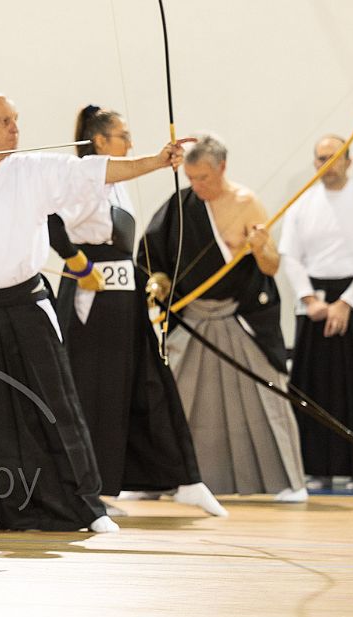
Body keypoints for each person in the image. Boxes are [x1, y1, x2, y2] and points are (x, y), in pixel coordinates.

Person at [0, 93, 183, 533]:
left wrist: (156, 162)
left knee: (52, 406)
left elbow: (96, 171)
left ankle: (80, 506)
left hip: (25, 304)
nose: (15, 128)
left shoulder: (36, 170)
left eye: (16, 119)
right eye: (5, 121)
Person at [49, 106, 224, 517]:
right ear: (99, 142)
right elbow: (53, 224)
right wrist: (79, 265)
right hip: (92, 301)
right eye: (122, 136)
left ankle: (181, 479)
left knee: (146, 383)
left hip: (122, 300)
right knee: (93, 393)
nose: (130, 143)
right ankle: (86, 491)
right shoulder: (84, 179)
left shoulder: (116, 183)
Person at [143, 134, 307, 501]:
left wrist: (261, 248)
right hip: (192, 316)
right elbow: (153, 252)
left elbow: (271, 266)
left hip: (239, 315)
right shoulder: (181, 205)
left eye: (204, 177)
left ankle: (287, 482)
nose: (197, 186)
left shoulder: (247, 203)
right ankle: (159, 480)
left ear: (222, 167)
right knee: (172, 396)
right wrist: (160, 281)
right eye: (191, 178)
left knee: (266, 393)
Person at [279, 136, 353, 493]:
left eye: (334, 157)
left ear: (348, 161)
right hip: (314, 302)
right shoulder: (301, 205)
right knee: (312, 387)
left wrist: (346, 303)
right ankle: (316, 468)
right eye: (321, 158)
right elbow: (289, 256)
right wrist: (310, 299)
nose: (326, 164)